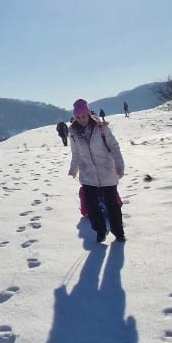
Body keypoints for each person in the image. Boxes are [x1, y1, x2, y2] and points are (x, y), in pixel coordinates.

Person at [66, 98, 126, 244]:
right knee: (92, 207)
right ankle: (100, 231)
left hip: (107, 173)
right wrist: (73, 169)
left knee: (112, 205)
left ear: (89, 114)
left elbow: (114, 147)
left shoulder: (101, 129)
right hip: (88, 176)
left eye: (84, 116)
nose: (81, 120)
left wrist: (119, 165)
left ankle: (119, 233)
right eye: (78, 117)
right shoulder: (73, 133)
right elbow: (76, 153)